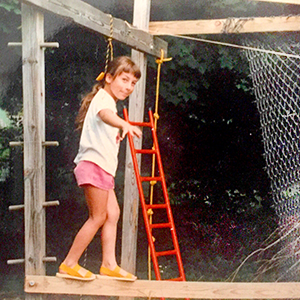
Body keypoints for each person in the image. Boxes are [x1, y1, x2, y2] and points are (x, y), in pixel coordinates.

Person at [56, 56, 142, 281]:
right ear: (109, 78)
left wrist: (119, 126)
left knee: (112, 213)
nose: (128, 87)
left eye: (133, 83)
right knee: (98, 216)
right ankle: (69, 263)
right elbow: (106, 115)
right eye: (124, 80)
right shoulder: (104, 100)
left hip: (102, 169)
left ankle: (108, 264)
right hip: (93, 166)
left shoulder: (108, 100)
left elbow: (107, 118)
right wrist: (123, 123)